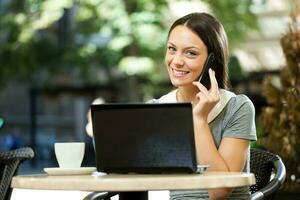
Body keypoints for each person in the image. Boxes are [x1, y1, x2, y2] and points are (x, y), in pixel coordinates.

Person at [150, 12, 257, 199]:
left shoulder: (237, 108)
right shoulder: (156, 109)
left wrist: (199, 120)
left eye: (190, 53)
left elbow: (219, 190)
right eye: (172, 49)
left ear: (212, 61)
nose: (176, 61)